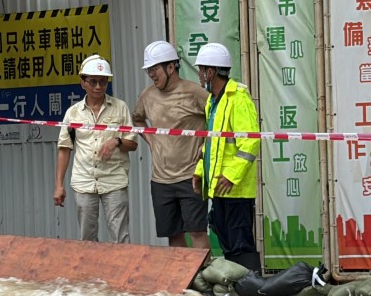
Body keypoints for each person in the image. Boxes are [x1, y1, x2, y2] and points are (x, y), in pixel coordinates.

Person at [133, 40, 211, 250]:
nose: (151, 74)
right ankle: (182, 280)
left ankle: (203, 280)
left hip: (190, 176)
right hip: (160, 180)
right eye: (149, 70)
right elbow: (137, 119)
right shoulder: (147, 96)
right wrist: (150, 141)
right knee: (173, 234)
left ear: (171, 67)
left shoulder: (195, 92)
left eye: (155, 68)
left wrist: (205, 150)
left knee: (196, 231)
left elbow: (216, 120)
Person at [53, 54, 138, 243]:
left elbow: (132, 143)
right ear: (82, 82)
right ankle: (89, 273)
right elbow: (64, 149)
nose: (98, 87)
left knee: (121, 237)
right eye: (93, 82)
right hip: (84, 182)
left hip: (114, 180)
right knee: (87, 238)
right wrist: (59, 185)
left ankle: (122, 272)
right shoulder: (73, 113)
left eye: (103, 82)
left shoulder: (120, 108)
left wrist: (116, 141)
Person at [191, 42, 261, 272]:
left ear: (210, 72)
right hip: (218, 188)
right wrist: (200, 172)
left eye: (201, 70)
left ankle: (251, 290)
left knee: (240, 242)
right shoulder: (213, 101)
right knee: (224, 237)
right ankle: (237, 288)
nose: (200, 76)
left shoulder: (238, 98)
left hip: (236, 190)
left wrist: (231, 176)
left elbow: (250, 141)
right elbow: (210, 144)